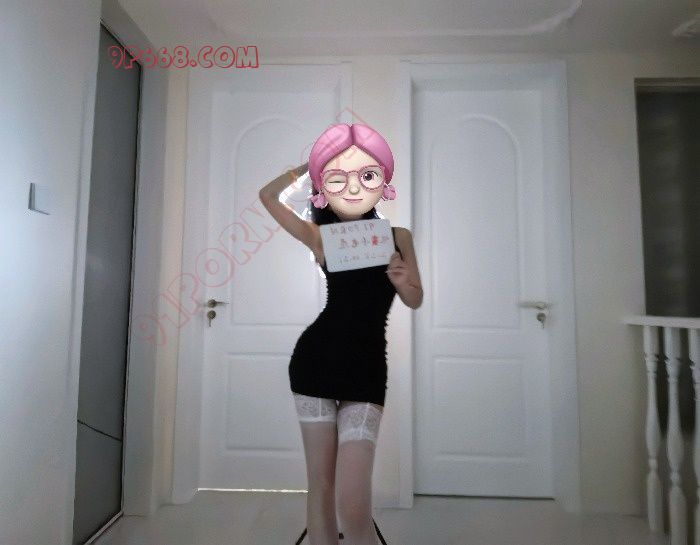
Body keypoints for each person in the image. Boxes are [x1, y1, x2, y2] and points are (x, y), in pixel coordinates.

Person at [259, 123, 423, 545]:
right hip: (315, 362)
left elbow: (415, 298)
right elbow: (267, 197)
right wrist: (308, 167)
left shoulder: (397, 236)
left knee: (353, 501)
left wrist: (402, 279)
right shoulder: (321, 236)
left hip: (366, 371)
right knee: (321, 485)